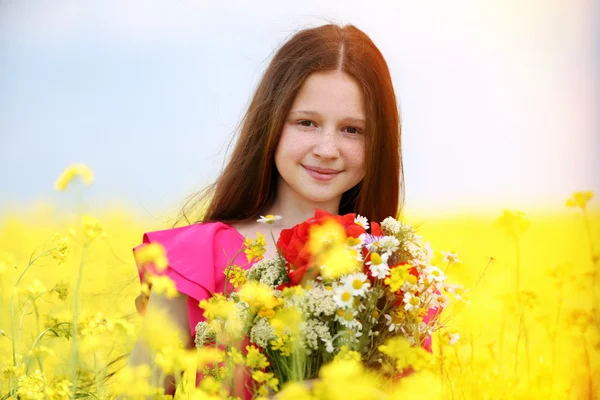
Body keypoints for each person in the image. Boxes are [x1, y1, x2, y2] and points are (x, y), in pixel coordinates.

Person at [127, 22, 403, 398]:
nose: (327, 148)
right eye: (307, 123)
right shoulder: (198, 260)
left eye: (352, 130)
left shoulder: (393, 273)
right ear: (271, 124)